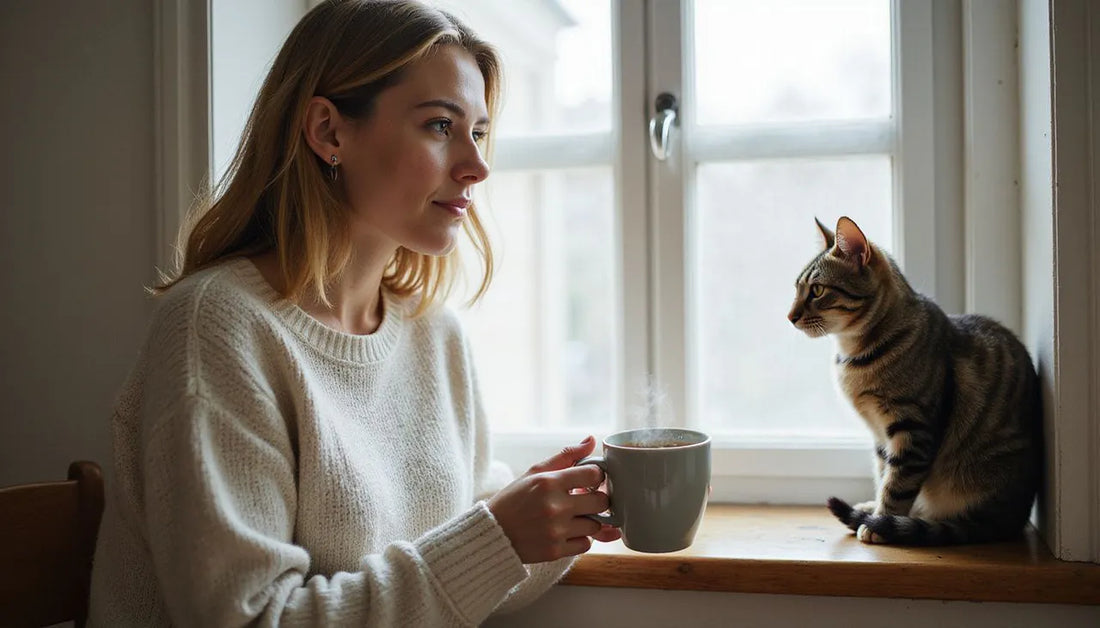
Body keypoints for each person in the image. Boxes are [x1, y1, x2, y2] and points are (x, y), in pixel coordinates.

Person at [88, 1, 620, 625]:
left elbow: (459, 567)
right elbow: (250, 619)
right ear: (329, 132)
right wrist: (497, 537)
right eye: (440, 126)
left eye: (477, 131)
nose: (477, 166)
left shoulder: (433, 332)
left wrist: (563, 511)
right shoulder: (218, 328)